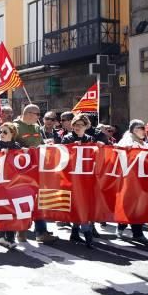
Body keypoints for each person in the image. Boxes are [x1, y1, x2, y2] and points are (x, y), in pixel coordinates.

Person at [13, 104, 55, 244]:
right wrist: (22, 149)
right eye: (38, 115)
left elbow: (40, 143)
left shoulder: (37, 128)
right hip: (21, 172)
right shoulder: (14, 127)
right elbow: (6, 143)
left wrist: (45, 144)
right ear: (29, 113)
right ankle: (21, 230)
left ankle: (41, 232)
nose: (39, 118)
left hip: (37, 170)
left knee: (40, 200)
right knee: (23, 201)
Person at [61, 113, 100, 247]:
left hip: (86, 178)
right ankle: (87, 235)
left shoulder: (90, 138)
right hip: (71, 177)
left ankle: (75, 232)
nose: (77, 127)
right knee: (78, 205)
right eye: (75, 125)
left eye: (80, 125)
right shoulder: (67, 138)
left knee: (82, 205)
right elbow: (62, 156)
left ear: (86, 126)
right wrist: (72, 148)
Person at [114, 119, 148, 243]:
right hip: (129, 180)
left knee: (137, 207)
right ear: (135, 130)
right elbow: (119, 151)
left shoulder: (143, 142)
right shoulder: (127, 140)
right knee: (131, 206)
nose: (145, 131)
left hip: (140, 180)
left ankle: (133, 232)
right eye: (142, 128)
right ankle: (129, 230)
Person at [0, 122, 22, 249]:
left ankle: (11, 236)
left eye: (5, 132)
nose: (1, 134)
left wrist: (24, 152)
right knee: (2, 209)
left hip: (13, 184)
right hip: (0, 184)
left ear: (12, 134)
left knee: (12, 210)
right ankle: (1, 236)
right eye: (0, 132)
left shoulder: (17, 146)